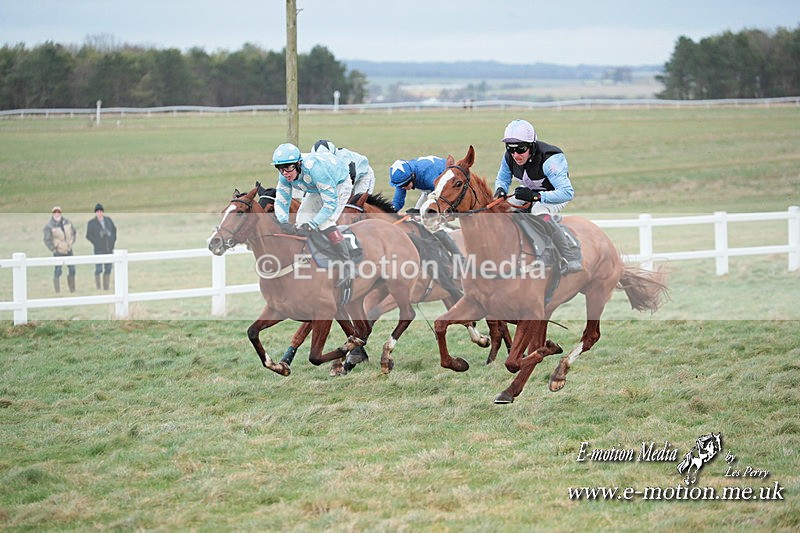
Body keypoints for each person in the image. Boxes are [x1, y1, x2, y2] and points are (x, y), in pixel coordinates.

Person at [492, 119, 582, 274]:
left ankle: (570, 257)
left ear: (531, 146)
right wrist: (500, 189)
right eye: (510, 149)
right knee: (504, 209)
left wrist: (535, 197)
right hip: (531, 191)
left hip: (553, 195)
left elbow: (567, 192)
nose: (515, 155)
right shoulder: (509, 157)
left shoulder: (550, 159)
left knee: (539, 211)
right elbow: (502, 178)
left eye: (520, 149)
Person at [272, 142, 354, 281]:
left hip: (339, 184)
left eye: (288, 167)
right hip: (316, 187)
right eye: (280, 169)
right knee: (301, 220)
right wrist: (283, 221)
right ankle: (309, 258)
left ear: (298, 163)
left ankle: (347, 266)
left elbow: (329, 205)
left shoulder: (316, 170)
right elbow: (281, 200)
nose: (285, 173)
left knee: (325, 222)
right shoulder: (284, 175)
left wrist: (312, 224)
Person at [43, 206, 77, 293]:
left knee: (72, 269)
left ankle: (72, 289)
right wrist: (54, 249)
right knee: (58, 271)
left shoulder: (68, 222)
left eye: (58, 212)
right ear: (53, 213)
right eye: (55, 212)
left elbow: (74, 232)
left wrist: (71, 242)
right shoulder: (49, 226)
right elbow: (47, 239)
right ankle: (57, 291)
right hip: (58, 251)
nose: (57, 214)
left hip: (69, 250)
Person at [86, 203, 117, 290]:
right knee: (99, 269)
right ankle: (98, 287)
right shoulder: (92, 223)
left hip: (108, 248)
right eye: (97, 211)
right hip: (99, 249)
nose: (99, 213)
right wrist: (97, 240)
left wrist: (111, 238)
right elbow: (88, 235)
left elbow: (114, 231)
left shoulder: (108, 220)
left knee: (108, 268)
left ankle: (106, 287)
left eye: (100, 211)